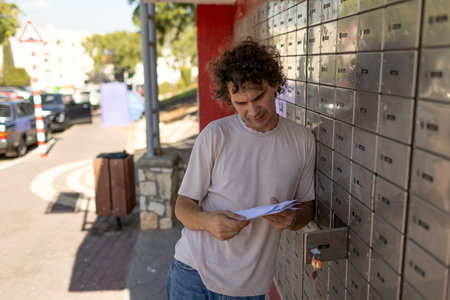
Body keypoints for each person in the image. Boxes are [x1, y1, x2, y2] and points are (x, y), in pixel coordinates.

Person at [166, 39, 315, 299]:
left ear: (275, 84)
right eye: (240, 103)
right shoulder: (216, 135)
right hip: (192, 272)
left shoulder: (302, 140)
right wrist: (207, 221)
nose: (252, 110)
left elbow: (306, 208)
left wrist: (292, 219)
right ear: (229, 98)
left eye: (259, 97)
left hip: (249, 287)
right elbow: (183, 206)